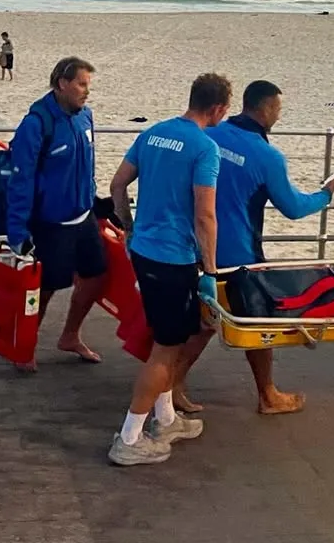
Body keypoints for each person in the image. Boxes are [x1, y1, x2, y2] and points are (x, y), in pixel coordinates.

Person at [173, 80, 334, 415]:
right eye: (278, 109)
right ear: (265, 110)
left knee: (203, 321)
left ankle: (172, 385)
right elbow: (293, 207)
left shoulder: (208, 134)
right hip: (237, 254)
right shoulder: (267, 156)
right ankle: (267, 395)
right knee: (259, 323)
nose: (279, 115)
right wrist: (325, 195)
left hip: (190, 245)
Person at [107, 73, 232, 467]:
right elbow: (205, 214)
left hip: (143, 250)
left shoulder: (154, 134)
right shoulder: (205, 149)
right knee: (166, 351)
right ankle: (128, 438)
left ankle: (166, 420)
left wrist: (128, 226)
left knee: (165, 336)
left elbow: (117, 185)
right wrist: (210, 268)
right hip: (173, 259)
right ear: (217, 109)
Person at [5, 56, 107, 371]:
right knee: (45, 290)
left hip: (83, 216)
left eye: (88, 85)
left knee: (95, 276)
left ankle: (70, 336)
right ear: (62, 84)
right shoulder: (36, 124)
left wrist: (96, 201)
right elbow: (20, 181)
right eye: (81, 84)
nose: (86, 92)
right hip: (51, 223)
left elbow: (86, 167)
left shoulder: (85, 117)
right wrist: (18, 234)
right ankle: (24, 346)